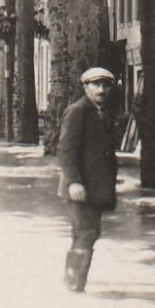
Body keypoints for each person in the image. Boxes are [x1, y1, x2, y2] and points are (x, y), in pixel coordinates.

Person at [57, 66, 120, 292]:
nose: (101, 90)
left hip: (94, 187)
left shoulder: (101, 112)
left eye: (105, 85)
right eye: (96, 85)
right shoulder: (78, 111)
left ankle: (72, 281)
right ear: (85, 87)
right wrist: (74, 181)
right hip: (81, 187)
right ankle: (75, 284)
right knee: (87, 232)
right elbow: (66, 150)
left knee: (82, 233)